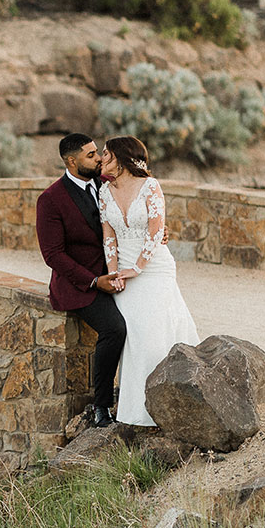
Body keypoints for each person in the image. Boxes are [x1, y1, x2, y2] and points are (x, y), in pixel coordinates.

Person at [97, 135, 200, 427]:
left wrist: (138, 268)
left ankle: (176, 403)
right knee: (134, 337)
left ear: (122, 157)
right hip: (123, 273)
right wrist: (115, 271)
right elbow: (108, 235)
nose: (103, 159)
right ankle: (135, 412)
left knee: (156, 334)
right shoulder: (104, 191)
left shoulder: (151, 187)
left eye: (107, 154)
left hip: (154, 268)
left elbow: (157, 231)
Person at [35, 133, 124, 428]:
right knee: (114, 328)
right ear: (72, 162)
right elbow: (53, 255)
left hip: (117, 275)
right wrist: (94, 281)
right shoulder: (50, 200)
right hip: (80, 285)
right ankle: (102, 406)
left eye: (97, 152)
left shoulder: (106, 185)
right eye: (90, 155)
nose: (99, 158)